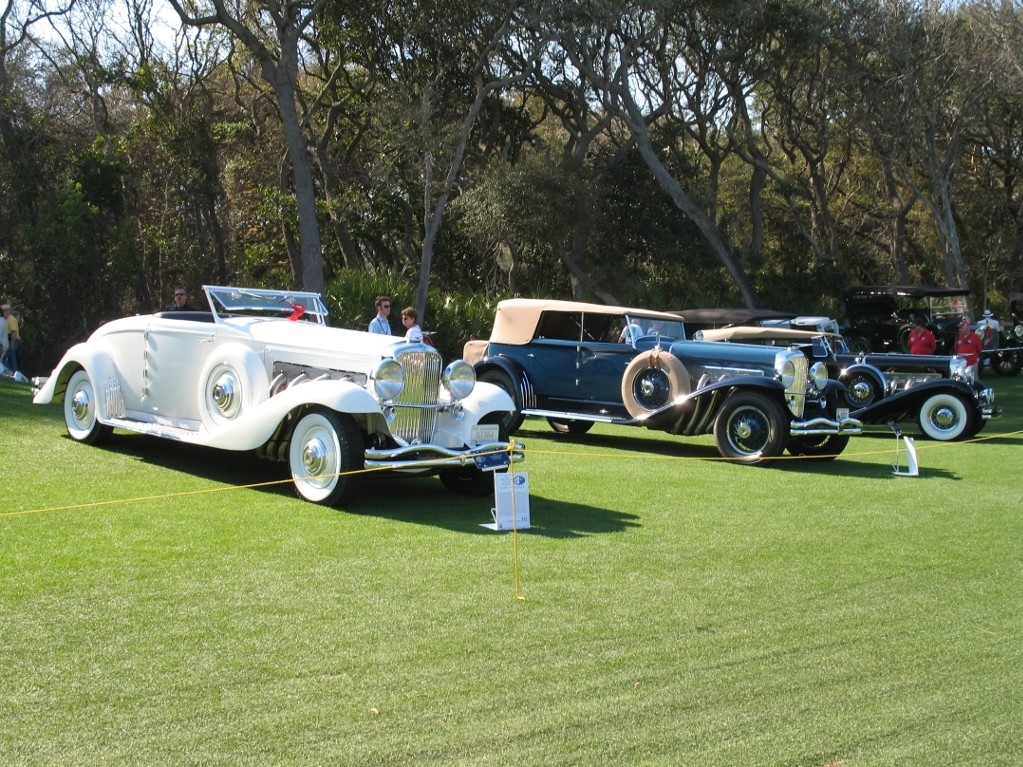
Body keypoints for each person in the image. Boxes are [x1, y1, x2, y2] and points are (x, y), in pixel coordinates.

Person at [3, 304, 20, 374]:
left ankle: (10, 373)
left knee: (3, 358)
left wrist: (12, 343)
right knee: (12, 359)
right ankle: (15, 374)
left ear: (7, 312)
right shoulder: (8, 319)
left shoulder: (11, 319)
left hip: (13, 341)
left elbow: (14, 331)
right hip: (12, 341)